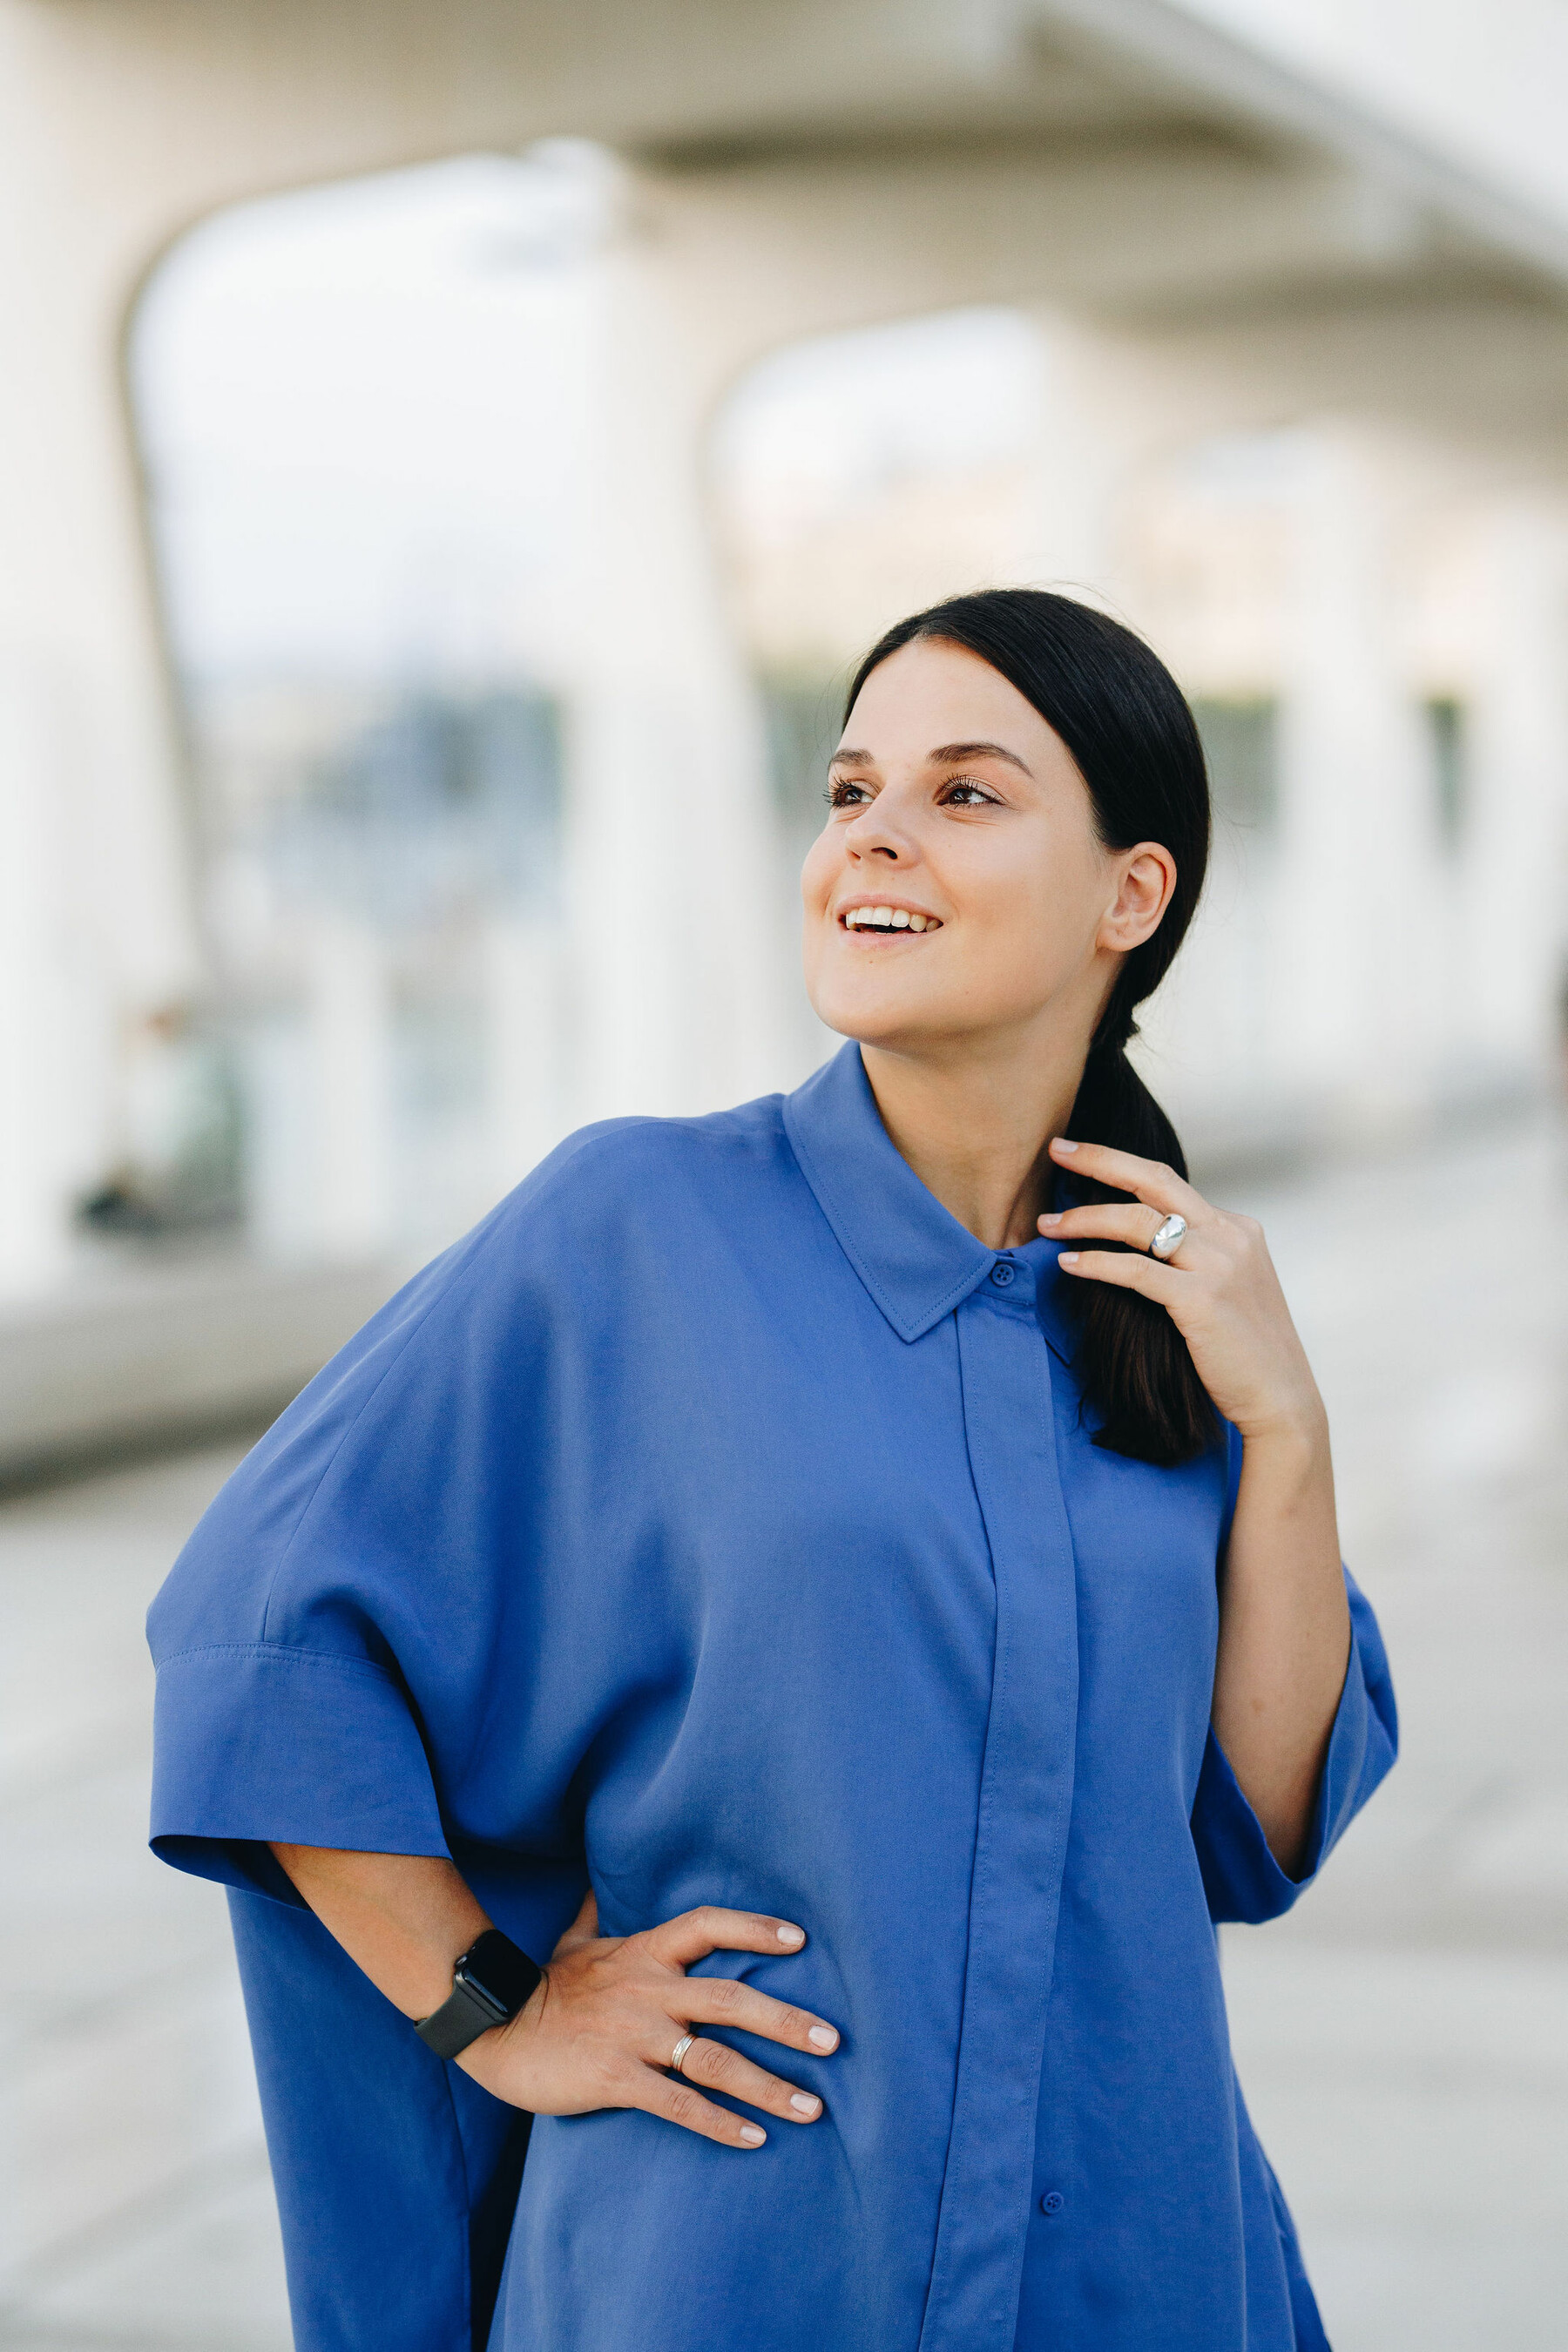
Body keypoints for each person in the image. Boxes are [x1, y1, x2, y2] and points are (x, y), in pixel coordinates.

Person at [147, 589, 1396, 2352]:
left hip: (1137, 2260)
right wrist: (494, 2004)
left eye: (965, 794)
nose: (873, 835)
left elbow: (1252, 1830)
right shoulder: (629, 1229)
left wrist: (1288, 1433)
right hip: (733, 2263)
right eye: (848, 788)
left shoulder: (1172, 1314)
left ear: (1133, 894)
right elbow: (255, 1633)